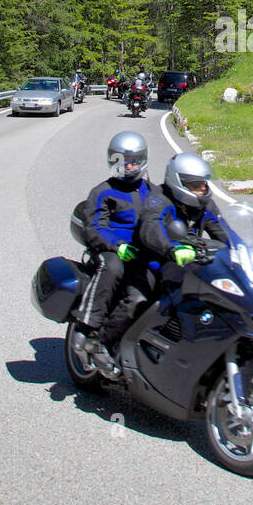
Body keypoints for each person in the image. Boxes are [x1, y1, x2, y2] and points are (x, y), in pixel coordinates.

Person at [71, 132, 164, 376]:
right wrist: (117, 245)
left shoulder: (154, 192)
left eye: (134, 160)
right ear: (113, 161)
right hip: (113, 250)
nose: (129, 166)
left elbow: (167, 220)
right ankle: (90, 331)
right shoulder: (103, 191)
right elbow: (95, 227)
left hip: (143, 253)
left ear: (143, 159)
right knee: (114, 270)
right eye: (122, 160)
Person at [139, 153, 229, 264]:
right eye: (196, 185)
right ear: (177, 181)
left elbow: (223, 231)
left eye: (204, 184)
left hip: (191, 258)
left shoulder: (206, 206)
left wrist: (240, 250)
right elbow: (152, 228)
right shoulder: (158, 200)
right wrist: (172, 248)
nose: (203, 188)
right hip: (160, 259)